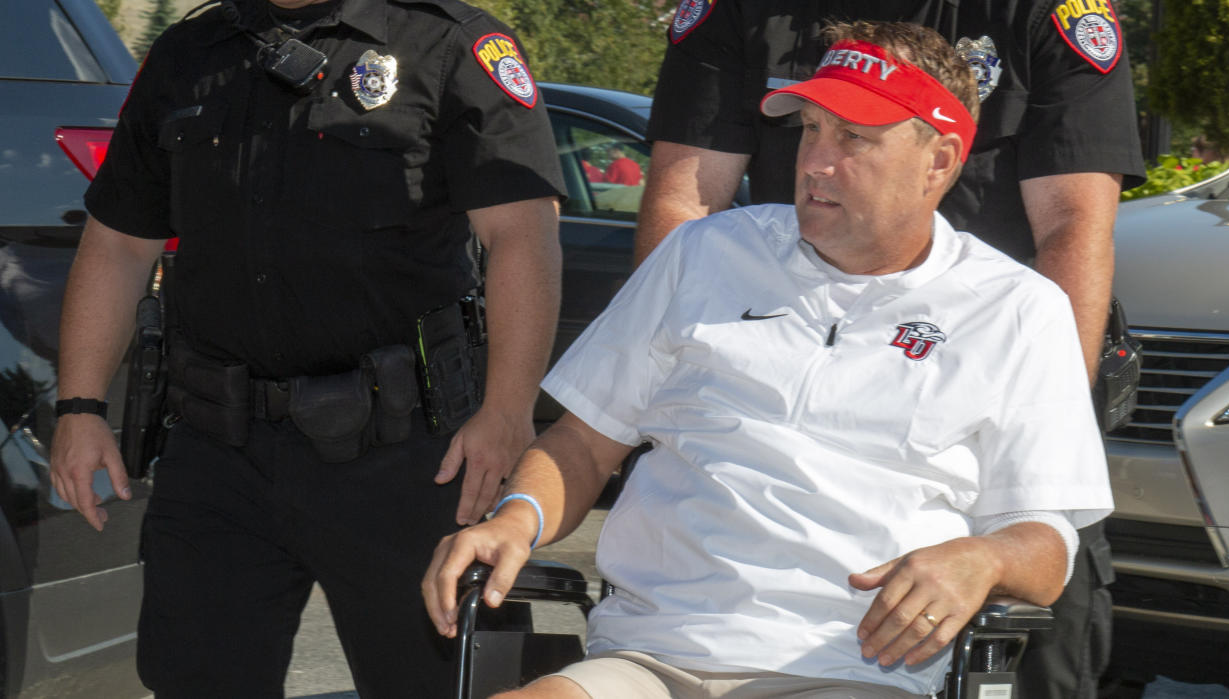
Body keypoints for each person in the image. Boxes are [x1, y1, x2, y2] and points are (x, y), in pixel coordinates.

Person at [424, 22, 1113, 698]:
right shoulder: (704, 254)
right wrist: (516, 517)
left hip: (849, 670)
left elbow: (1047, 544)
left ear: (940, 159)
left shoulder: (1016, 310)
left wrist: (984, 557)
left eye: (855, 138)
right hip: (646, 656)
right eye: (810, 128)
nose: (815, 159)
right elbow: (581, 440)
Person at [48, 0, 563, 696]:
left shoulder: (451, 43)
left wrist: (506, 410)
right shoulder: (188, 54)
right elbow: (117, 242)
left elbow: (523, 235)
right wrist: (79, 406)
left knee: (431, 685)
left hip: (409, 454)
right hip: (218, 452)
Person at [635, 2, 1146, 696]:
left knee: (1041, 653)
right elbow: (684, 202)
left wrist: (1043, 452)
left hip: (992, 382)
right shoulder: (746, 11)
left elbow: (1073, 226)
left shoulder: (1039, 12)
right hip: (791, 378)